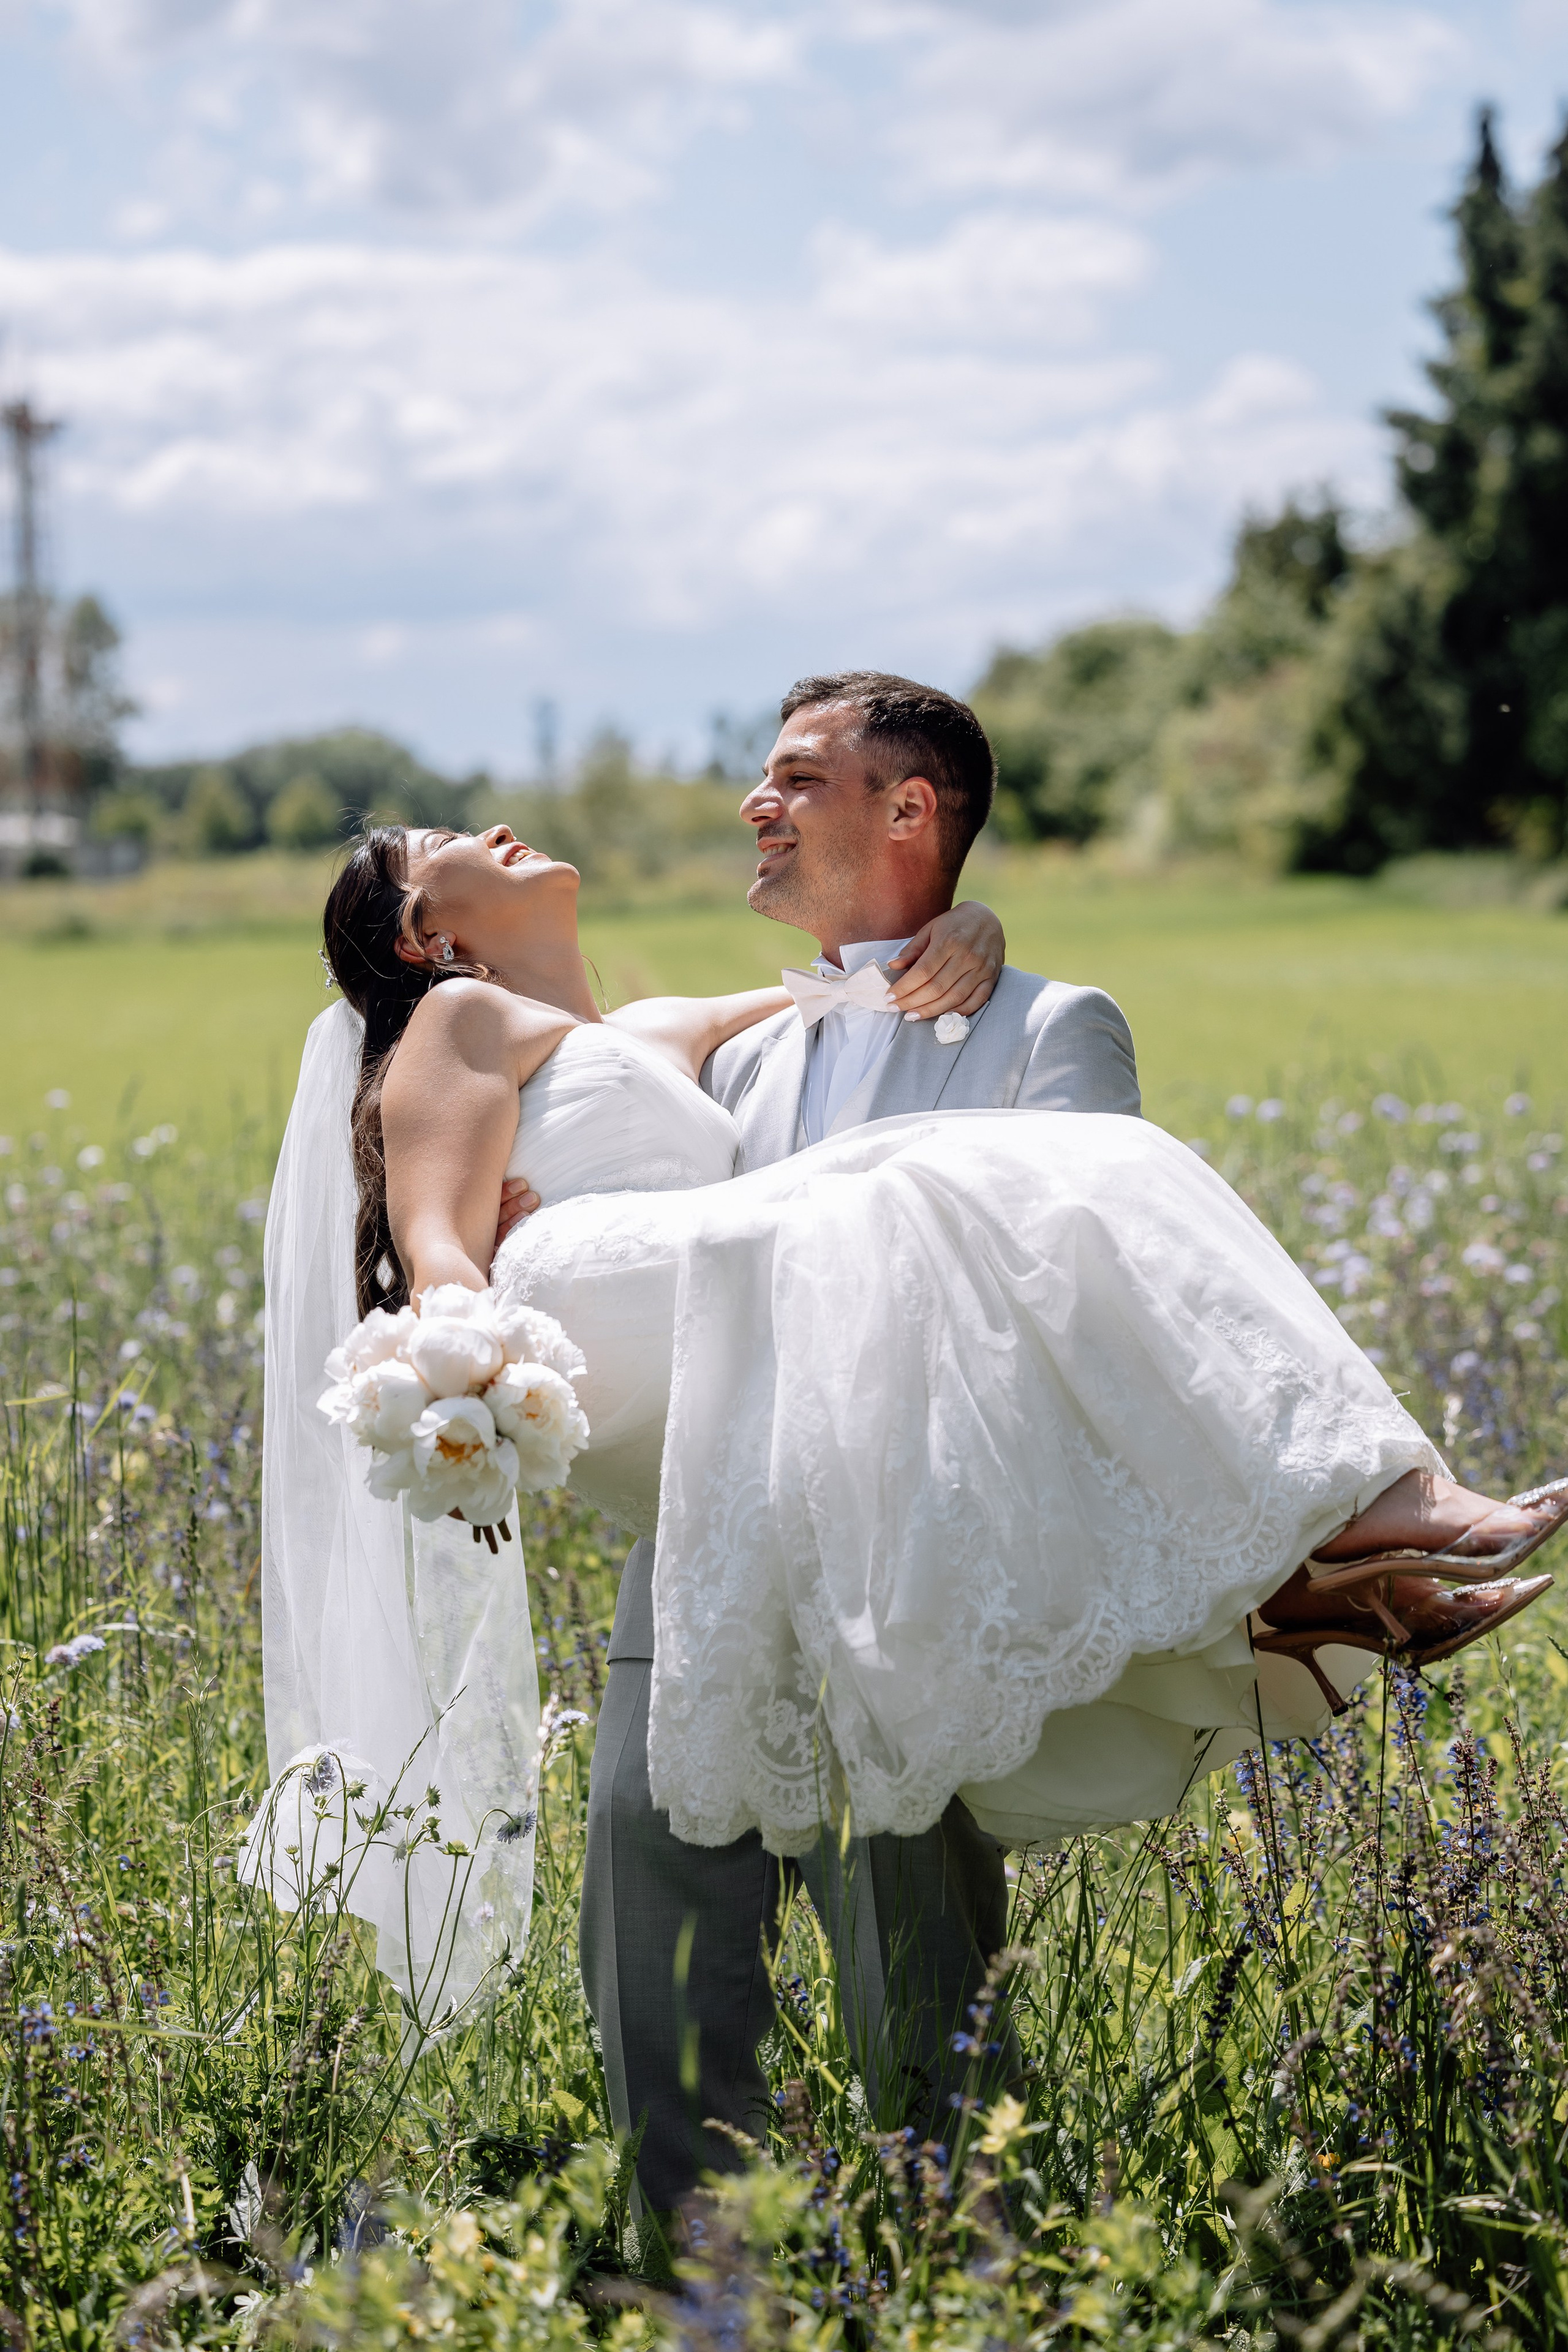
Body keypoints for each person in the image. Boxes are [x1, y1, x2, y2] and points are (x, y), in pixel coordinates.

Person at [258, 671, 1563, 2233]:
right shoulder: (662, 1063)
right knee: (656, 1924)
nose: (754, 801)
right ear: (432, 938)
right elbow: (480, 1192)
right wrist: (473, 1297)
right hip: (708, 1518)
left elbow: (1074, 1335)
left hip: (900, 1553)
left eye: (795, 776)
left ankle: (968, 2261)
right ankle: (691, 2273)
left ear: (909, 809)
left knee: (912, 1945)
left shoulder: (984, 1026)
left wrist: (973, 940)